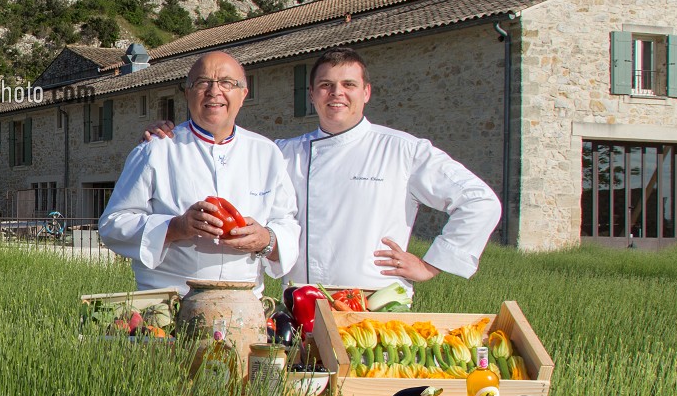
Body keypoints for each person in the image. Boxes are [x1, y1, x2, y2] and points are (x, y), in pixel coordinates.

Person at [142, 47, 500, 296]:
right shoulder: (282, 153)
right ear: (312, 94)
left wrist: (431, 265)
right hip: (300, 302)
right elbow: (223, 156)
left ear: (367, 92)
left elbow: (479, 201)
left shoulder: (403, 150)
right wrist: (175, 135)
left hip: (374, 301)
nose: (336, 94)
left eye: (349, 85)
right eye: (326, 85)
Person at [99, 51, 300, 294]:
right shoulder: (156, 150)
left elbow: (287, 222)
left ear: (243, 94)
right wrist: (175, 227)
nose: (214, 91)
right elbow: (113, 224)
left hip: (244, 303)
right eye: (203, 82)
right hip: (170, 301)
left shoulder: (267, 153)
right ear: (187, 93)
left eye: (227, 83)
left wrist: (267, 239)